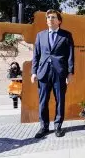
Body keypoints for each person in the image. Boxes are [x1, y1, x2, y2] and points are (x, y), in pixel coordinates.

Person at [31, 9, 74, 138]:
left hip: (59, 72)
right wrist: (34, 72)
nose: (50, 19)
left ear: (59, 21)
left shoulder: (66, 35)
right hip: (43, 73)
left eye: (53, 17)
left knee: (60, 100)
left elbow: (70, 55)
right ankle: (43, 127)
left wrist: (70, 72)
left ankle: (57, 126)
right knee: (43, 101)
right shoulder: (40, 35)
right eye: (48, 17)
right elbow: (36, 55)